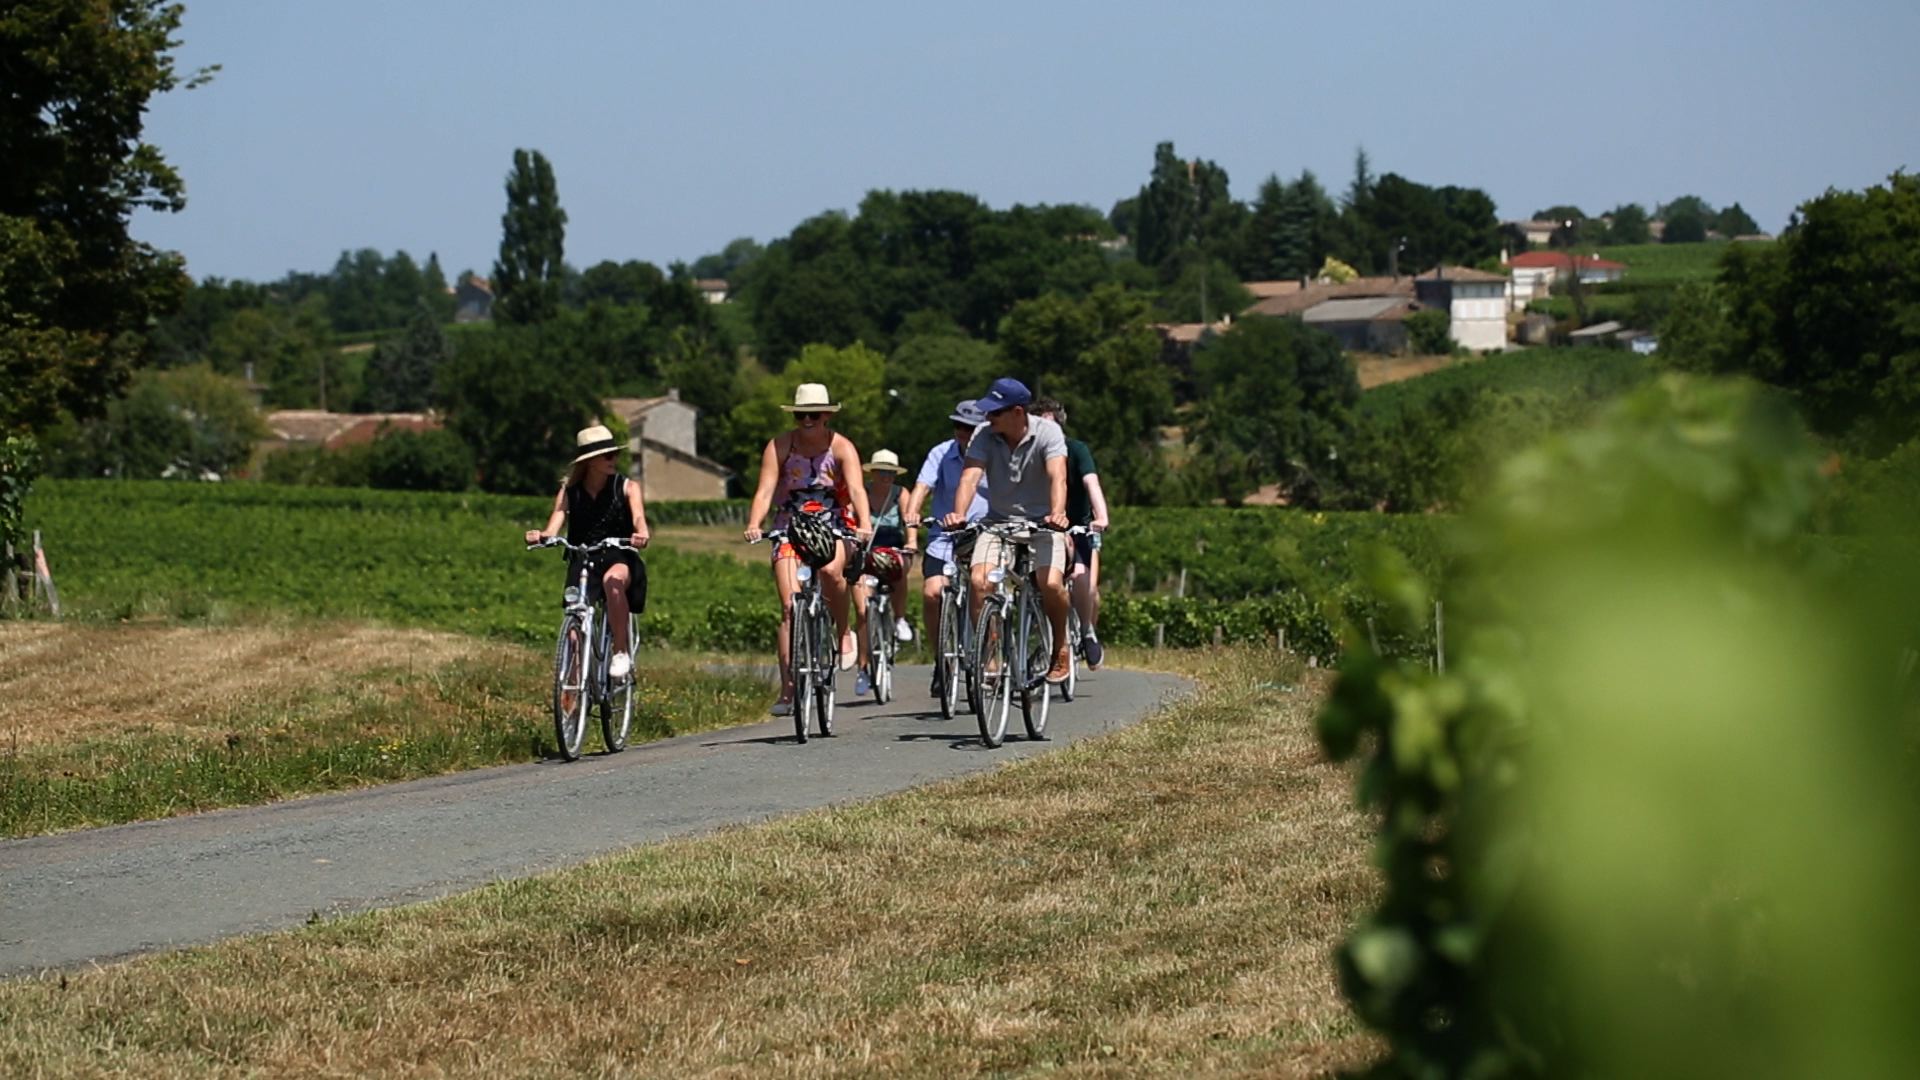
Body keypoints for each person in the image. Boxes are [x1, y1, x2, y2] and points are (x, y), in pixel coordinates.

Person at [742, 383, 873, 716]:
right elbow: (765, 489)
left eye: (814, 414)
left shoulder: (842, 447)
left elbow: (856, 489)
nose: (807, 420)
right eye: (801, 414)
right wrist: (755, 523)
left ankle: (843, 633)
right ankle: (788, 690)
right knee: (789, 607)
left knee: (832, 572)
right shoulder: (780, 446)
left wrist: (864, 524)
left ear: (827, 415)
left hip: (835, 523)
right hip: (791, 525)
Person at [941, 377, 1073, 685]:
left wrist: (1057, 513)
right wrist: (958, 514)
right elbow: (970, 478)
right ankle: (991, 652)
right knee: (978, 580)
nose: (988, 418)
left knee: (1050, 583)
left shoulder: (1048, 433)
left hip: (1042, 523)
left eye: (995, 412)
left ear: (1017, 412)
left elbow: (1058, 477)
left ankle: (1061, 647)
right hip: (998, 521)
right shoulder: (984, 436)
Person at [524, 424, 651, 681]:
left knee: (612, 582)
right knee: (574, 625)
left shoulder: (626, 487)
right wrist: (542, 536)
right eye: (608, 456)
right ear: (590, 461)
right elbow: (555, 522)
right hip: (583, 558)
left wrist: (641, 533)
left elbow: (639, 517)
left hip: (618, 555)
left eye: (615, 454)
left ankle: (620, 651)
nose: (614, 460)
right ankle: (573, 688)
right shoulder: (569, 492)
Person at [903, 400, 989, 692]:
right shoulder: (940, 453)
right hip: (944, 535)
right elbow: (922, 487)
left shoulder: (995, 453)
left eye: (970, 428)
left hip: (983, 534)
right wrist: (912, 513)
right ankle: (942, 659)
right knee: (932, 593)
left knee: (984, 589)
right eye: (958, 426)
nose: (962, 433)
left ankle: (988, 657)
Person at [1031, 397, 1110, 669]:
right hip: (1043, 525)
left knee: (1081, 577)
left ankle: (1087, 631)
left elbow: (1091, 482)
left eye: (1048, 425)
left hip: (1077, 527)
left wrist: (1101, 516)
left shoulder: (1077, 450)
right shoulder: (1031, 453)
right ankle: (1042, 637)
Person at [852, 449, 914, 697]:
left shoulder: (901, 494)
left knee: (900, 570)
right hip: (867, 547)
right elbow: (851, 515)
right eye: (881, 472)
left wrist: (911, 541)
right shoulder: (862, 493)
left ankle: (899, 619)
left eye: (890, 473)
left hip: (893, 546)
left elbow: (909, 521)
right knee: (864, 609)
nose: (886, 477)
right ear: (873, 473)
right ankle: (863, 669)